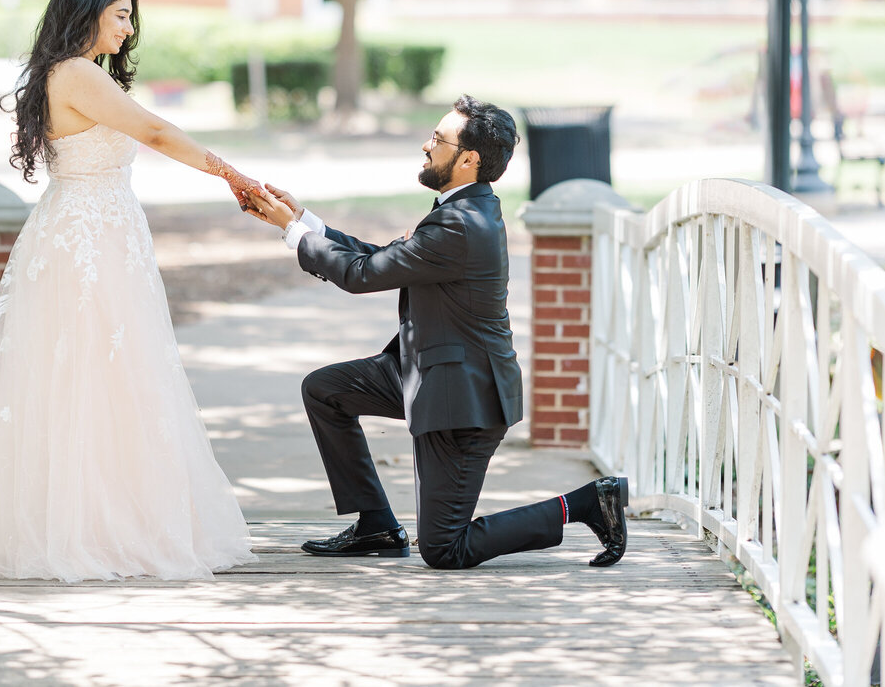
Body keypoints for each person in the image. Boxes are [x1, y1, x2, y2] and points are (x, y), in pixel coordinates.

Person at [0, 0, 258, 582]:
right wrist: (235, 176)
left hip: (96, 229)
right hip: (87, 239)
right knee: (99, 374)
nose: (129, 28)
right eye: (120, 14)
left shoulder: (69, 72)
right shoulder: (76, 73)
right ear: (88, 11)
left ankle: (106, 519)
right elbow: (152, 130)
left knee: (109, 375)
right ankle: (97, 530)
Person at [244, 96, 629, 570]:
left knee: (445, 548)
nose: (426, 145)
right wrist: (305, 222)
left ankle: (588, 503)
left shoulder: (462, 224)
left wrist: (293, 234)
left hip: (462, 399)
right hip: (426, 370)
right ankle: (376, 525)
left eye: (439, 140)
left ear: (469, 159)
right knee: (326, 390)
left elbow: (362, 276)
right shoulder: (462, 210)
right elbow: (381, 258)